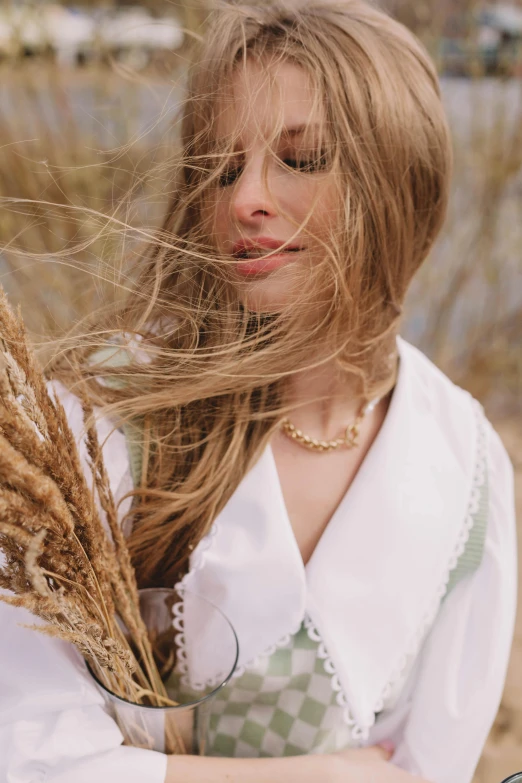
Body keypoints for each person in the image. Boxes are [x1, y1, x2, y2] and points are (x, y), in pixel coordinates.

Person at [0, 2, 517, 782]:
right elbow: (28, 750)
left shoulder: (466, 463)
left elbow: (431, 766)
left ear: (400, 178)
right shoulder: (106, 413)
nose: (244, 200)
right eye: (221, 166)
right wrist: (331, 776)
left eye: (302, 159)